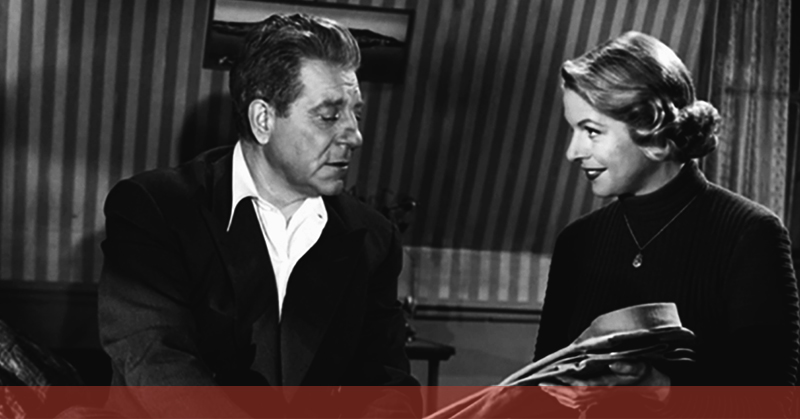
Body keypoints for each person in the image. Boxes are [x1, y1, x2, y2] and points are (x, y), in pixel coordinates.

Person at [98, 13, 421, 418]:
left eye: (356, 114)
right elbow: (156, 364)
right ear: (263, 120)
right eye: (329, 116)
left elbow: (389, 384)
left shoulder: (373, 237)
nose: (354, 135)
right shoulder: (154, 208)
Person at [533, 31, 799, 417]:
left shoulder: (751, 233)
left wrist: (660, 389)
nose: (573, 152)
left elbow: (774, 405)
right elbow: (541, 394)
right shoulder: (576, 242)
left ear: (653, 134)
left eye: (591, 131)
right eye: (573, 130)